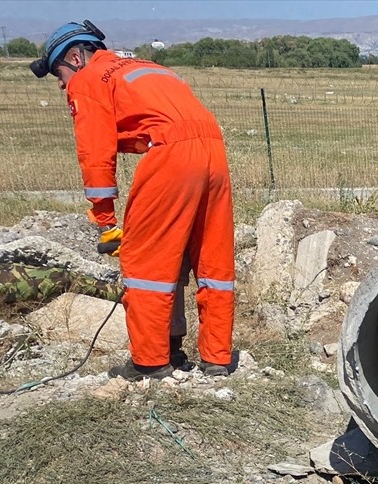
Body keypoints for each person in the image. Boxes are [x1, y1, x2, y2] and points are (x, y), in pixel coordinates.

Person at [31, 21, 235, 381]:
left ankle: (151, 362)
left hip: (171, 155)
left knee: (145, 265)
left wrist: (105, 221)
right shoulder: (146, 67)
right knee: (211, 259)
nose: (61, 84)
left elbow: (95, 154)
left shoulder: (88, 79)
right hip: (214, 152)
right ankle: (216, 358)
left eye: (58, 73)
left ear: (76, 58)